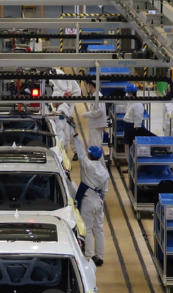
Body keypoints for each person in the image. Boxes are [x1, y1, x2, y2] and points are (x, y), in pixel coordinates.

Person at [72, 133, 108, 267]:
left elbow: (80, 152)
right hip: (99, 201)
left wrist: (76, 137)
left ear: (90, 156)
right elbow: (105, 191)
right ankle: (100, 256)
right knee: (99, 229)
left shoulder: (87, 165)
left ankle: (88, 255)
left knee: (87, 229)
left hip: (88, 200)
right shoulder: (104, 172)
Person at [81, 81, 108, 153]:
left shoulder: (97, 96)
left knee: (95, 148)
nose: (87, 88)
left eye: (88, 86)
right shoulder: (96, 95)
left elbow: (100, 111)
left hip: (96, 126)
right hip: (96, 125)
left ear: (91, 86)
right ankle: (98, 163)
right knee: (95, 147)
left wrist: (87, 114)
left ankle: (98, 164)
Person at [122, 83, 146, 149]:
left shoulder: (137, 104)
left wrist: (137, 130)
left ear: (131, 93)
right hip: (127, 126)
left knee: (131, 145)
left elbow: (138, 117)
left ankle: (131, 158)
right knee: (126, 144)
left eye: (127, 93)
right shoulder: (130, 102)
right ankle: (128, 159)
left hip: (132, 127)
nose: (126, 94)